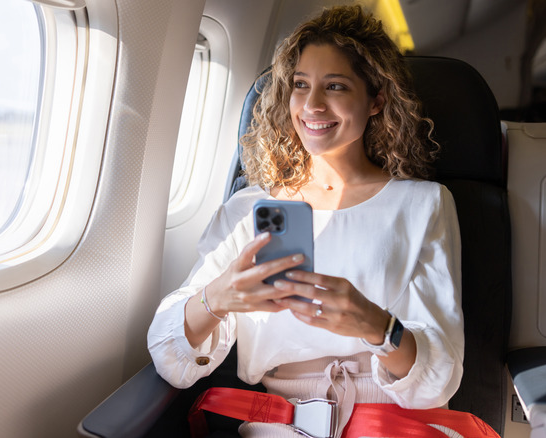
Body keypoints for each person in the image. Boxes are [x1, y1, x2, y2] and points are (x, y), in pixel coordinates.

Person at [149, 5, 468, 437]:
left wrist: (376, 326)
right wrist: (217, 298)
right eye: (301, 85)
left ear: (376, 100)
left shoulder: (422, 205)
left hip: (390, 421)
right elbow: (171, 360)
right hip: (277, 424)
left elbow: (438, 380)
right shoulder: (250, 209)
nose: (313, 105)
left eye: (335, 86)